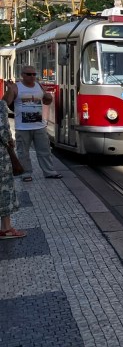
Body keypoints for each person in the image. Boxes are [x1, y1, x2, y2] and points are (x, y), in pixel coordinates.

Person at [14, 65, 62, 182]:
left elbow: (47, 101)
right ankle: (26, 173)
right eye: (29, 74)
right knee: (23, 152)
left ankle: (49, 172)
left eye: (34, 74)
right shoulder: (16, 87)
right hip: (22, 127)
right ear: (22, 75)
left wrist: (48, 96)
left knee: (45, 150)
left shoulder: (39, 86)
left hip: (39, 126)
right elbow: (5, 102)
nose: (32, 77)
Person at [0, 84, 24, 239]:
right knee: (4, 189)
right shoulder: (1, 105)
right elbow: (2, 130)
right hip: (1, 157)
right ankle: (6, 228)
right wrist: (10, 140)